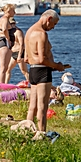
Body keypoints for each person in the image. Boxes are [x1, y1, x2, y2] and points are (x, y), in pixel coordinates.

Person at [24, 10, 68, 138]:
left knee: (32, 106)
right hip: (43, 72)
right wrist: (57, 66)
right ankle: (41, 134)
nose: (53, 27)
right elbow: (43, 59)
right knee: (42, 107)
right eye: (53, 24)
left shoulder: (29, 32)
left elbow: (26, 58)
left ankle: (27, 132)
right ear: (48, 19)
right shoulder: (42, 34)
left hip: (33, 70)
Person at [0, 4, 21, 85]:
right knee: (3, 68)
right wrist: (8, 39)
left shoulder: (1, 19)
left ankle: (2, 84)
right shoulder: (5, 19)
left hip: (0, 41)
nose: (15, 12)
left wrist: (1, 33)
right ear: (9, 11)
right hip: (4, 42)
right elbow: (4, 29)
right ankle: (1, 86)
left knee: (5, 67)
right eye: (13, 11)